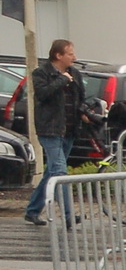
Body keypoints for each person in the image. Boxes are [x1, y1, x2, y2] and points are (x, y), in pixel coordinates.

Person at [22, 39, 84, 228]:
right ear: (58, 55)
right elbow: (43, 94)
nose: (74, 57)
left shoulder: (75, 74)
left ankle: (32, 211)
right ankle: (68, 216)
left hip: (69, 130)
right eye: (70, 53)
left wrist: (86, 114)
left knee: (51, 173)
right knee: (59, 171)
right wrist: (62, 80)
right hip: (50, 130)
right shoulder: (41, 73)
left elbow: (80, 98)